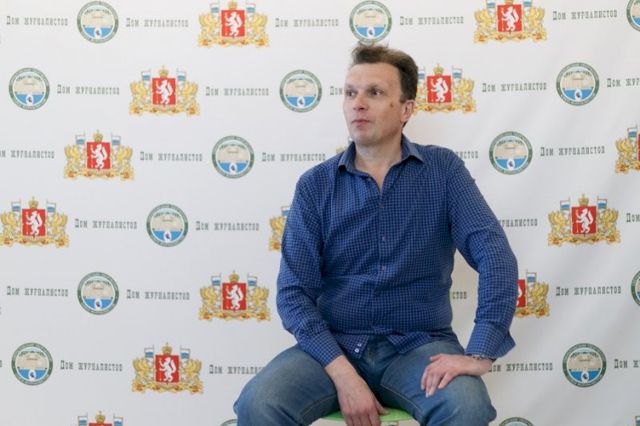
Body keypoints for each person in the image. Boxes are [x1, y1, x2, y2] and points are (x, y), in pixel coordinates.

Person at [234, 44, 518, 426]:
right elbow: (293, 292)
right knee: (259, 403)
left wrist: (481, 352)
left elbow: (495, 256)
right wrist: (343, 374)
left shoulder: (444, 171)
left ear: (406, 109)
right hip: (332, 348)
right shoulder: (316, 186)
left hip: (419, 347)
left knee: (467, 407)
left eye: (375, 92)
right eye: (350, 93)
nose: (358, 104)